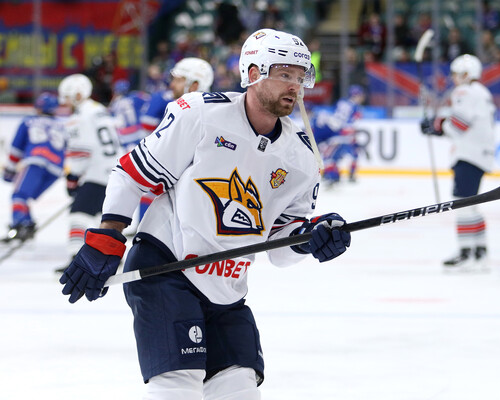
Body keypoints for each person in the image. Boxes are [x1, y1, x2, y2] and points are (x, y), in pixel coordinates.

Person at [58, 28, 351, 399]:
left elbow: (280, 246)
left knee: (240, 391)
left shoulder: (302, 157)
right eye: (283, 74)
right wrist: (108, 236)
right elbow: (132, 174)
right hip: (165, 268)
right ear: (254, 73)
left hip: (227, 290)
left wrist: (311, 238)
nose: (294, 86)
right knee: (177, 387)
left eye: (300, 76)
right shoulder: (201, 114)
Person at [420, 54, 495, 272]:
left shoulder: (465, 91)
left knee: (462, 204)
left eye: (456, 73)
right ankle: (480, 250)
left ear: (466, 74)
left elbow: (459, 126)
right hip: (479, 154)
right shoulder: (481, 92)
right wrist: (440, 124)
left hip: (469, 155)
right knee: (470, 205)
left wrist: (437, 128)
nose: (453, 78)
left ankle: (466, 252)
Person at [55, 73, 122, 272]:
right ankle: (111, 255)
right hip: (115, 170)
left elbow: (82, 150)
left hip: (97, 173)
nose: (65, 103)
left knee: (79, 214)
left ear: (78, 95)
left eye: (68, 97)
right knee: (103, 216)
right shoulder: (99, 110)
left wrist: (73, 177)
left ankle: (77, 258)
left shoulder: (78, 117)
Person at [137, 57, 214, 224]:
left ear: (194, 85)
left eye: (179, 80)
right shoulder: (196, 109)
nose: (172, 85)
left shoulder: (202, 114)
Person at [1, 93, 67, 243]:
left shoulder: (28, 121)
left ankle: (20, 226)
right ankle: (28, 224)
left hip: (36, 162)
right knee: (25, 197)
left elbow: (16, 148)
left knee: (19, 195)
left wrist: (10, 170)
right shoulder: (63, 125)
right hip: (56, 169)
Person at [311, 84, 366, 186]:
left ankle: (332, 175)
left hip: (333, 131)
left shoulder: (341, 102)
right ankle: (339, 175)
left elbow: (334, 115)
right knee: (345, 154)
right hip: (340, 134)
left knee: (329, 155)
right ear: (357, 95)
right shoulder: (356, 108)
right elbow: (351, 124)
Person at [109, 79, 151, 151]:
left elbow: (111, 115)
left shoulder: (116, 102)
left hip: (124, 134)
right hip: (138, 130)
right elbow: (149, 100)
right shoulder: (136, 95)